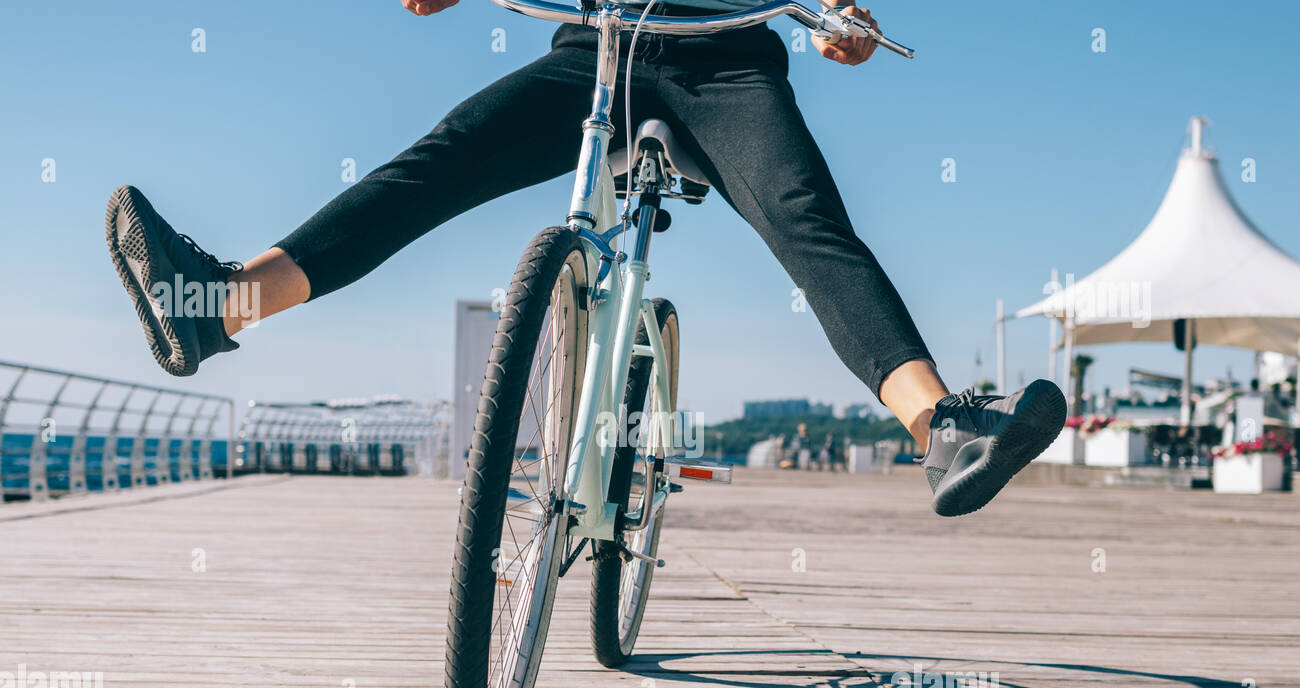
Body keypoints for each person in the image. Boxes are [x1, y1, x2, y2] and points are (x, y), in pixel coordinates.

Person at [103, 0, 1064, 517]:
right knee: (442, 158)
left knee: (803, 216)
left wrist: (840, 22)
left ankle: (941, 427)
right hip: (599, 53)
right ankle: (219, 305)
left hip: (730, 62)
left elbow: (833, 9)